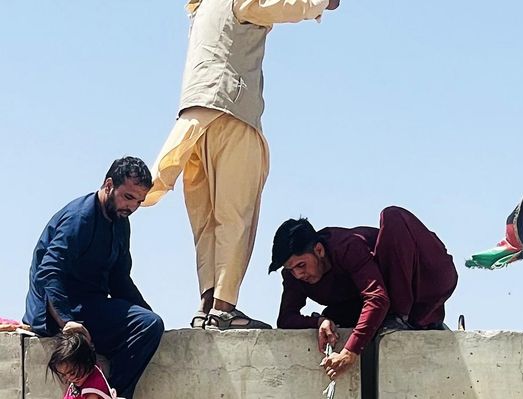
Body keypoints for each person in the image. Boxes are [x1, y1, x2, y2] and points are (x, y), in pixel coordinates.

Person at [142, 0, 342, 330]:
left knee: (205, 223)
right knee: (235, 217)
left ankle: (205, 306)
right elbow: (284, 5)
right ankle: (223, 309)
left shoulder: (199, 9)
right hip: (232, 112)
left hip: (194, 117)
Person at [24, 156, 164, 399]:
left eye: (139, 202)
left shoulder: (120, 221)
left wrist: (147, 314)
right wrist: (67, 322)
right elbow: (49, 271)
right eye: (128, 197)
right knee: (147, 324)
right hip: (59, 310)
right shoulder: (80, 218)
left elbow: (119, 279)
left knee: (150, 324)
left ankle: (112, 393)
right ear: (108, 185)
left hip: (89, 305)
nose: (131, 207)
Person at [270, 206, 458, 380]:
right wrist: (319, 322)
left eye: (301, 265)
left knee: (392, 215)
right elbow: (286, 319)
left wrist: (349, 352)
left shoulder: (346, 246)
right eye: (291, 269)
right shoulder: (294, 276)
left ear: (319, 250)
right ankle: (403, 319)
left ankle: (403, 317)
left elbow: (377, 298)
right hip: (374, 304)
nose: (298, 274)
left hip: (426, 278)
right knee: (334, 316)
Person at [48, 332, 120, 399]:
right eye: (64, 375)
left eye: (72, 373)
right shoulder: (84, 376)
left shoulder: (92, 392)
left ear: (87, 362)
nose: (69, 379)